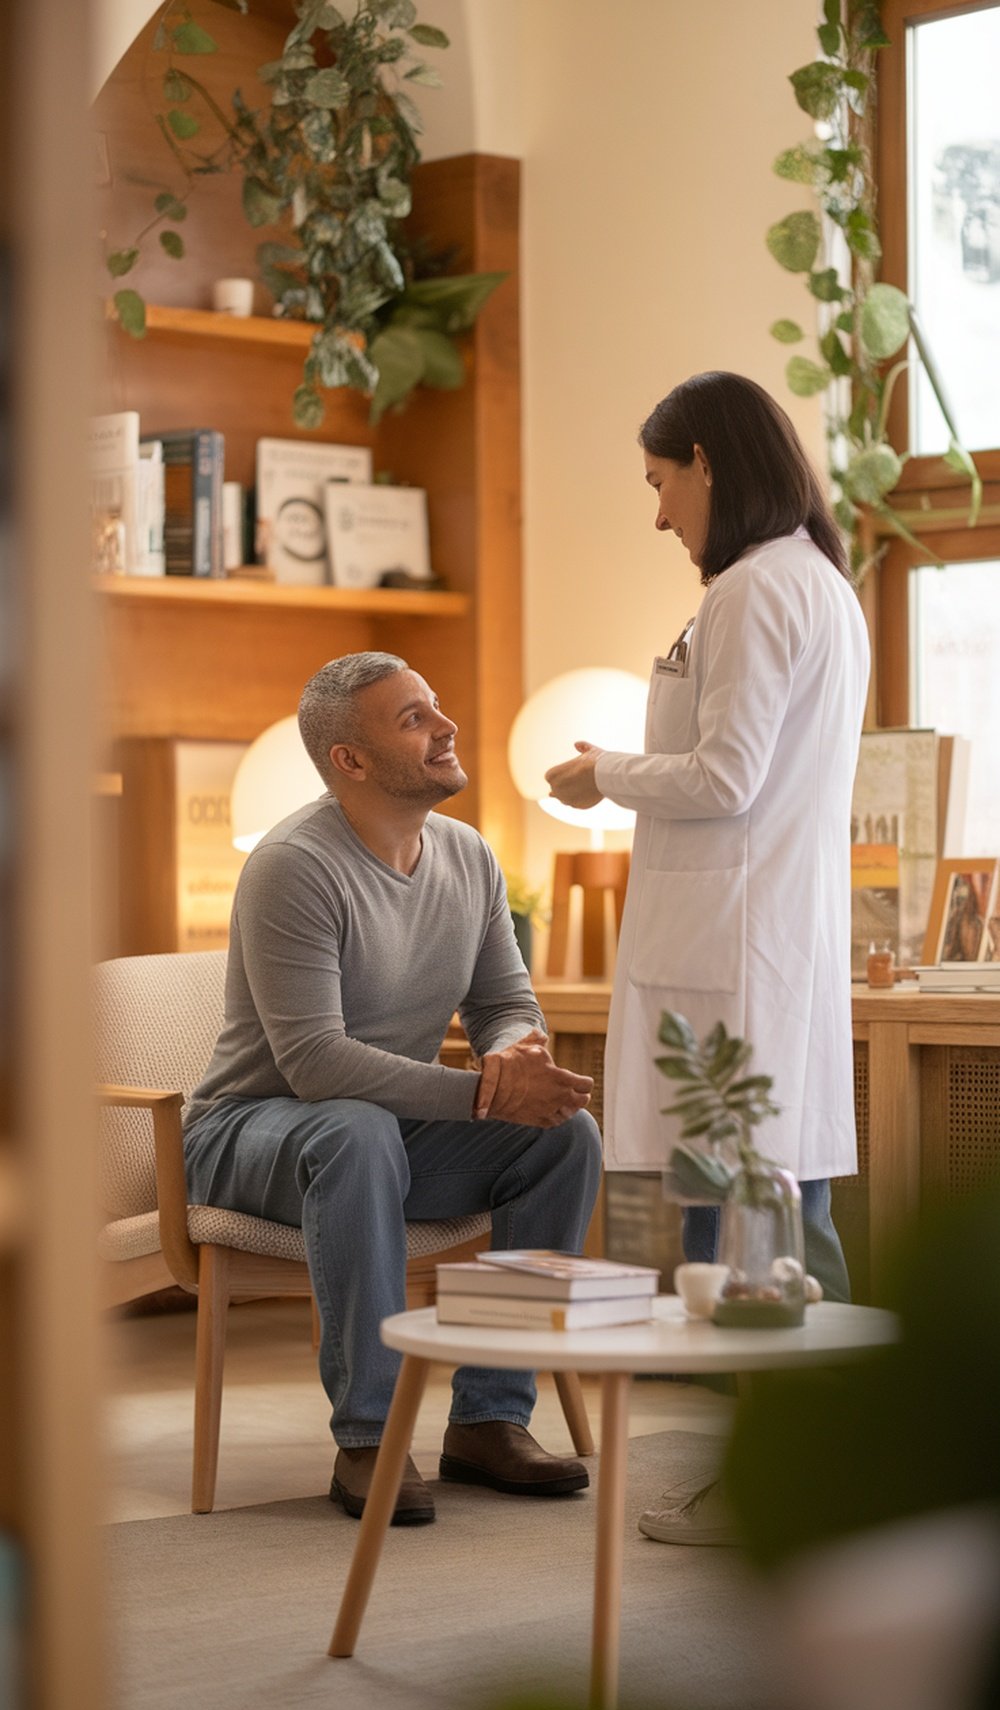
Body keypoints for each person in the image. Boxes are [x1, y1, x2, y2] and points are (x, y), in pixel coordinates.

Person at [545, 371, 870, 1543]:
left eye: (659, 482)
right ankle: (807, 1478)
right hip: (751, 945)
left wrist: (604, 773)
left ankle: (786, 1488)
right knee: (772, 1215)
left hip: (732, 957)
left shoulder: (754, 589)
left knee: (748, 1235)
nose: (657, 515)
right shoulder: (811, 582)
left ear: (706, 463)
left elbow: (726, 776)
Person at [184, 651, 602, 1526]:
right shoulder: (293, 865)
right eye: (414, 719)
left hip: (380, 1132)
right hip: (248, 1132)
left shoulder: (468, 854)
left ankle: (489, 1418)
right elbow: (316, 1064)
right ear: (352, 759)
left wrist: (513, 1056)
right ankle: (370, 1436)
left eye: (435, 705)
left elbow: (503, 1002)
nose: (447, 727)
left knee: (562, 1138)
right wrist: (487, 1094)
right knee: (354, 1129)